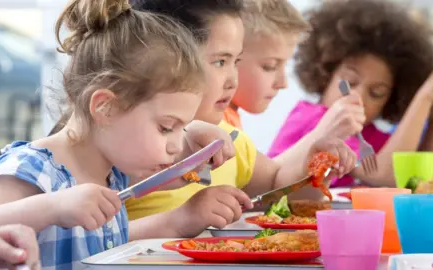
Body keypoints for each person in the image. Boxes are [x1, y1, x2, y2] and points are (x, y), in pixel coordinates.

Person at [0, 0, 240, 268]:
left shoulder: (113, 175)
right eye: (166, 127)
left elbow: (174, 173)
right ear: (105, 107)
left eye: (182, 127)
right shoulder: (32, 170)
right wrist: (52, 208)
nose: (175, 146)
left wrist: (196, 138)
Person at [126, 0, 357, 226]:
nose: (232, 80)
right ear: (166, 61)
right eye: (219, 62)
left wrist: (313, 169)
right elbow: (100, 240)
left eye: (235, 62)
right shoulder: (129, 145)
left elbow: (279, 190)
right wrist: (182, 218)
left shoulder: (231, 141)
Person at [268, 0, 433, 187]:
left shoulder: (368, 135)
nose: (358, 97)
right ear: (325, 74)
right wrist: (425, 95)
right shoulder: (317, 120)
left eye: (377, 93)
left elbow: (421, 174)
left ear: (389, 101)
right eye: (349, 83)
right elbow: (386, 176)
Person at [222, 0, 309, 129]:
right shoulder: (215, 123)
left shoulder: (230, 118)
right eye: (270, 66)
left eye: (285, 65)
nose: (283, 83)